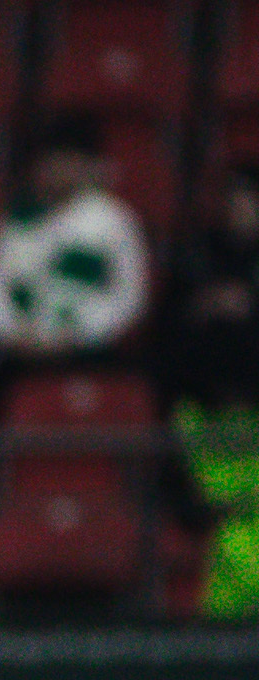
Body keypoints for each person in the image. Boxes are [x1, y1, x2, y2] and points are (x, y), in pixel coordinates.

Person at [161, 164, 259, 621]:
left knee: (245, 519)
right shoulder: (196, 259)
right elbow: (166, 341)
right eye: (236, 197)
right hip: (202, 415)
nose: (243, 208)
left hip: (254, 415)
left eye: (251, 198)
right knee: (226, 519)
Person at [0, 114, 150, 363]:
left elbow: (129, 295)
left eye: (69, 160)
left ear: (87, 165)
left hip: (91, 352)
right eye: (51, 161)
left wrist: (80, 334)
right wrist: (12, 332)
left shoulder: (112, 219)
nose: (59, 170)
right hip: (19, 351)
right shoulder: (13, 220)